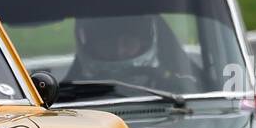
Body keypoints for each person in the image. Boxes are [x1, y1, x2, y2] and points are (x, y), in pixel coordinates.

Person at [68, 14, 196, 91]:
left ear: (144, 43)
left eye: (128, 42)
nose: (119, 51)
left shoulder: (180, 89)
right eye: (108, 44)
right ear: (91, 47)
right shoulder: (67, 96)